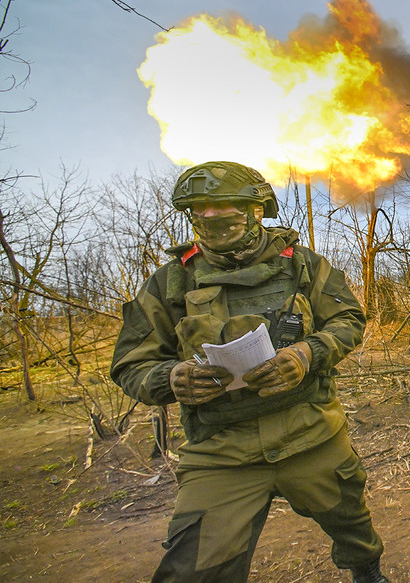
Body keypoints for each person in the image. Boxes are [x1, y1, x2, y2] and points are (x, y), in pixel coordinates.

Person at [110, 161, 390, 583]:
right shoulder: (172, 283)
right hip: (221, 453)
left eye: (224, 211)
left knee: (352, 524)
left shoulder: (302, 265)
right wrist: (172, 378)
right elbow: (130, 363)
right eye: (200, 212)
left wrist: (306, 354)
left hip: (310, 434)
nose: (211, 221)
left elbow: (348, 318)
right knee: (193, 570)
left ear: (256, 211)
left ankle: (367, 572)